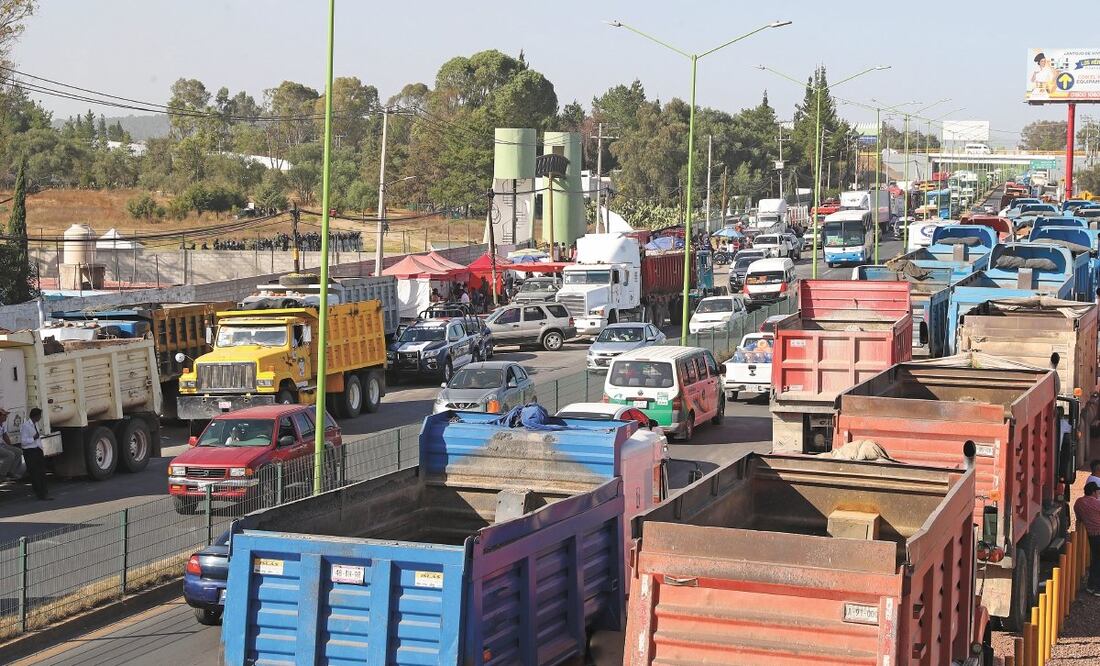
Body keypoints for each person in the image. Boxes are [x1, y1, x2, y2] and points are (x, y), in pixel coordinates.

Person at [1075, 481, 1100, 594]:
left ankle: (1091, 586)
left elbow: (1079, 517)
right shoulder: (1096, 503)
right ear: (1094, 492)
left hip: (1091, 535)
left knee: (1095, 560)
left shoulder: (1078, 502)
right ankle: (1097, 588)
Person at [20, 408, 50, 500]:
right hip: (30, 452)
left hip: (37, 450)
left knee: (42, 472)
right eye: (39, 416)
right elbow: (23, 442)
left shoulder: (35, 424)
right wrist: (33, 438)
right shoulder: (25, 426)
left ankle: (44, 493)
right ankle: (39, 494)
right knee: (35, 473)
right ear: (35, 416)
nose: (40, 418)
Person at [0, 408, 22, 480]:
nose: (6, 417)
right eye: (4, 415)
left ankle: (10, 472)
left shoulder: (3, 424)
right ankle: (2, 475)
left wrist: (10, 446)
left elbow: (5, 435)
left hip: (2, 445)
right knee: (10, 455)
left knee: (18, 452)